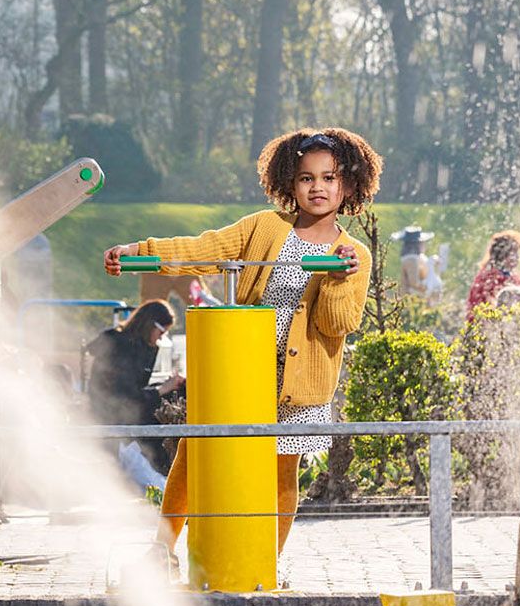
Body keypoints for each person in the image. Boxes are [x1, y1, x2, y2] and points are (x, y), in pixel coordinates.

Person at [102, 127, 379, 556]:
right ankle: (161, 550)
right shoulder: (264, 227)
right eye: (307, 178)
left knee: (283, 471)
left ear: (349, 183)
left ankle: (266, 562)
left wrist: (338, 279)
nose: (318, 187)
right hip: (242, 370)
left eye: (330, 177)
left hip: (300, 383)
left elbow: (337, 322)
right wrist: (140, 250)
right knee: (197, 454)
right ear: (290, 181)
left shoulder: (352, 254)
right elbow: (203, 249)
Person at [84, 300, 182, 484]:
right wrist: (162, 389)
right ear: (150, 325)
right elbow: (126, 396)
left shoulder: (141, 347)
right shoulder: (121, 347)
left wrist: (166, 386)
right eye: (161, 332)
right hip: (112, 419)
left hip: (123, 414)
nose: (160, 339)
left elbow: (135, 390)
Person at [465, 231, 520, 319]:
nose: (517, 257)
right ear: (502, 255)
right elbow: (478, 310)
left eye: (517, 253)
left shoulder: (514, 278)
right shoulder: (488, 279)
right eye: (514, 253)